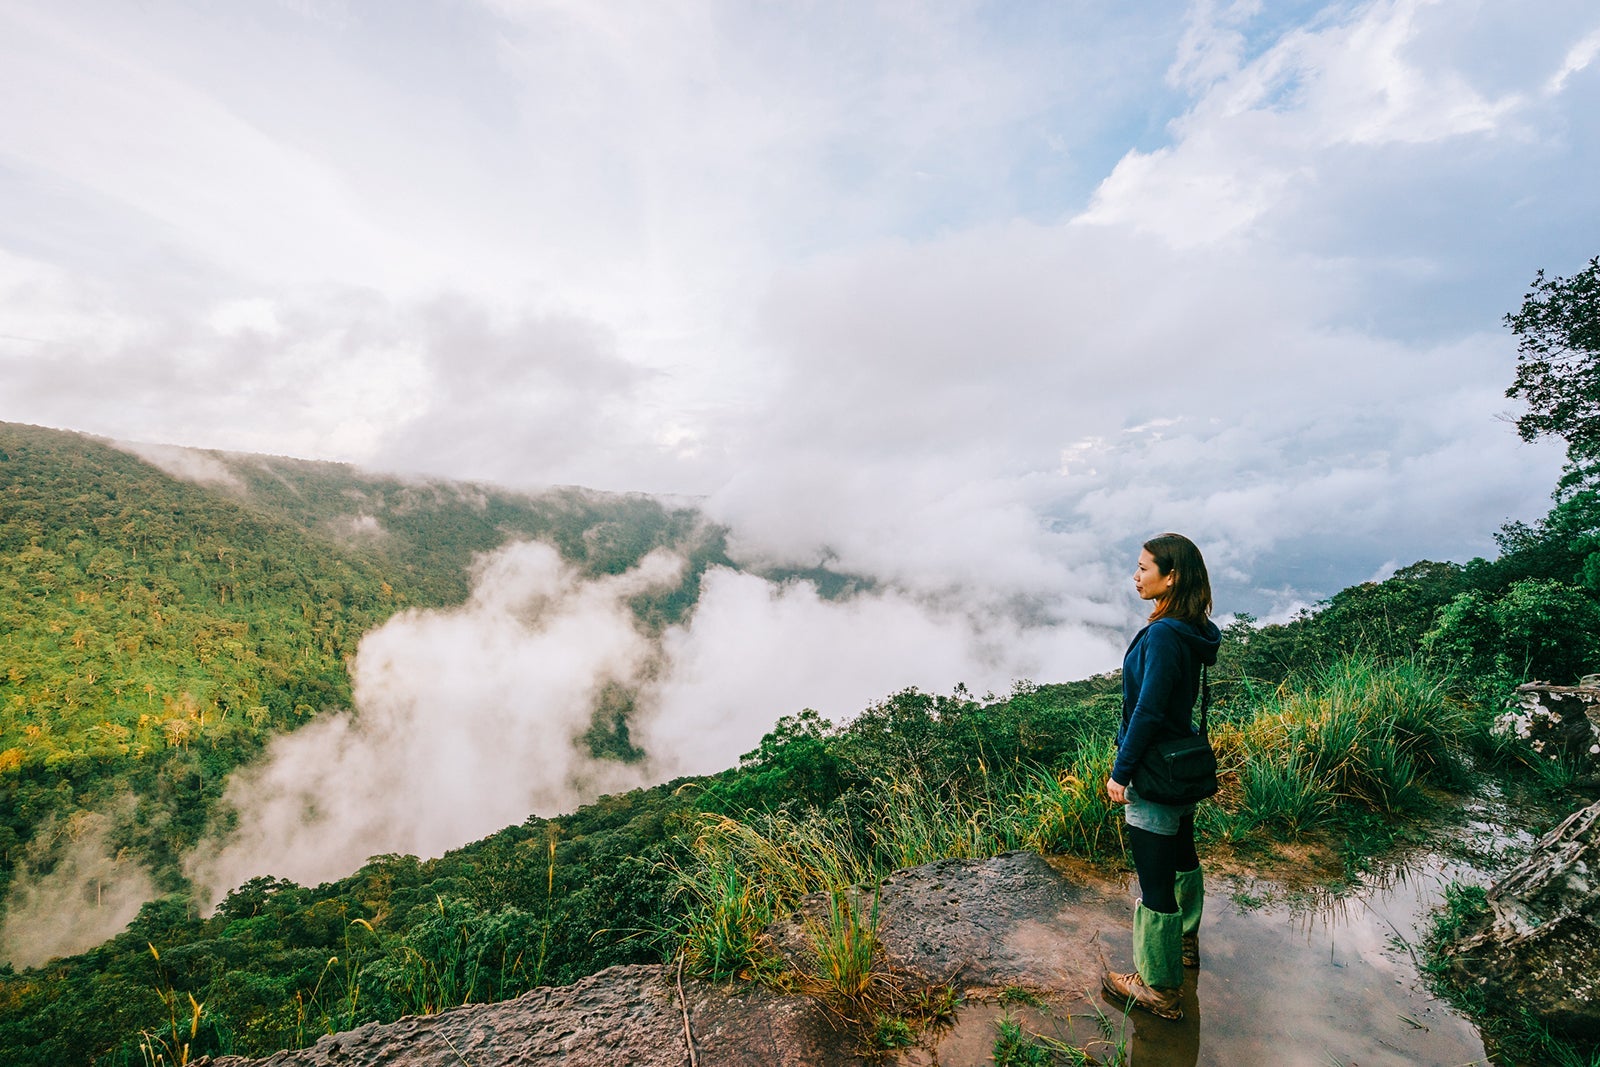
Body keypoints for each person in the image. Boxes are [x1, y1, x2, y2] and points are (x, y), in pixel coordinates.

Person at [1101, 532, 1221, 1021]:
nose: (1135, 576)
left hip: (1155, 769)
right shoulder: (1194, 627)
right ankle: (1185, 943)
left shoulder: (1166, 633)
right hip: (1183, 762)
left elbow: (1147, 712)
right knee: (1183, 855)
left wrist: (1120, 772)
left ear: (1171, 577)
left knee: (1154, 881)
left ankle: (1158, 986)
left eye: (1144, 568)